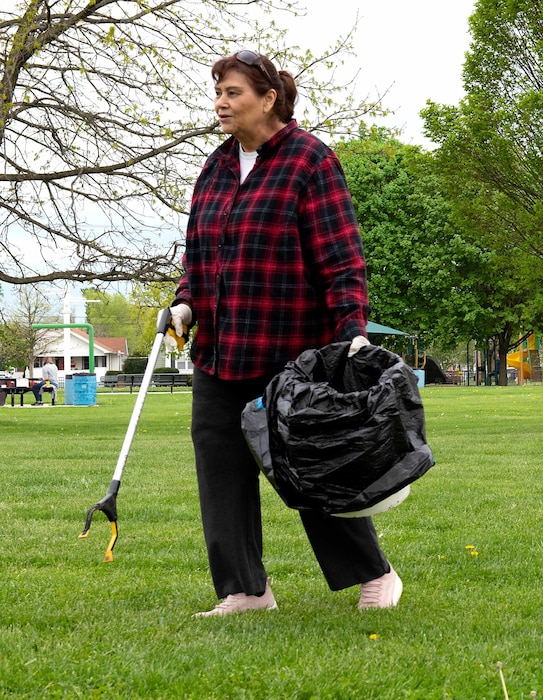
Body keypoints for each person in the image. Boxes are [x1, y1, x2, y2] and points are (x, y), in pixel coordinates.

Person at [172, 50, 400, 616]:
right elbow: (199, 252)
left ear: (268, 98)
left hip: (290, 352)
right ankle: (245, 591)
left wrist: (353, 332)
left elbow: (342, 259)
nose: (221, 103)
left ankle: (376, 574)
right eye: (218, 92)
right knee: (221, 474)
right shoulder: (215, 167)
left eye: (233, 92)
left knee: (310, 468)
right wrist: (183, 302)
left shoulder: (310, 162)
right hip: (219, 351)